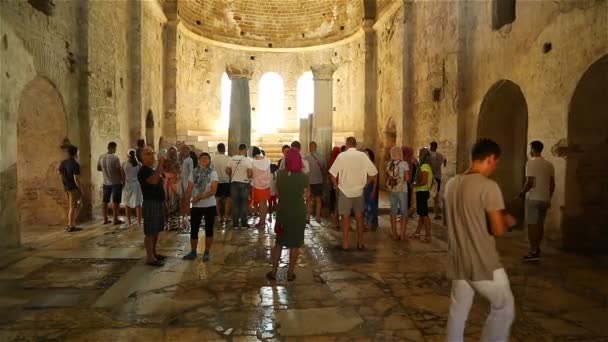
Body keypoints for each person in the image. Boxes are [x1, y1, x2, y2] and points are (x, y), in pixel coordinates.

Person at [445, 138, 516, 341]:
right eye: (496, 162)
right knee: (504, 307)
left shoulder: (452, 183)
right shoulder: (488, 186)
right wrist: (507, 221)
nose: (495, 167)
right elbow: (498, 229)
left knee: (457, 312)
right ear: (491, 159)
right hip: (483, 262)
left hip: (459, 260)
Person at [329, 137, 378, 250]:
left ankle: (345, 244)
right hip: (359, 191)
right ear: (355, 145)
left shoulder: (342, 156)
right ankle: (360, 243)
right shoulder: (363, 156)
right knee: (359, 217)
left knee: (345, 218)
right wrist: (365, 184)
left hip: (345, 191)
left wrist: (336, 186)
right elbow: (373, 173)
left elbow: (332, 174)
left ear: (347, 145)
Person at [267, 148, 309, 282]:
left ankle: (274, 271)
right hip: (297, 211)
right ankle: (290, 273)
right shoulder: (303, 176)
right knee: (295, 244)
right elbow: (306, 194)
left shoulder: (281, 174)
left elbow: (278, 193)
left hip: (283, 210)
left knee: (279, 241)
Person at [518, 140, 555, 261]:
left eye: (530, 149)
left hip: (533, 199)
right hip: (544, 199)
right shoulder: (549, 164)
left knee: (532, 226)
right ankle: (537, 248)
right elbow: (552, 184)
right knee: (540, 225)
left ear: (533, 149)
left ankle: (533, 251)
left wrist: (521, 194)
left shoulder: (531, 163)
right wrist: (548, 197)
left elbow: (529, 182)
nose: (529, 151)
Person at [183, 152, 218, 262]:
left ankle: (207, 251)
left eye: (206, 158)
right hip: (196, 206)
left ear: (209, 161)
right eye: (202, 158)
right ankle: (193, 251)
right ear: (198, 160)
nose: (204, 160)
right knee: (194, 229)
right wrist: (186, 204)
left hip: (209, 205)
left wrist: (199, 197)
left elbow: (213, 190)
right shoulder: (193, 173)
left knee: (209, 229)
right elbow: (189, 189)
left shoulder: (213, 173)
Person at [138, 147, 168, 267]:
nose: (151, 156)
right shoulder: (144, 170)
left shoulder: (151, 169)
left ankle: (154, 253)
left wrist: (164, 201)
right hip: (150, 203)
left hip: (157, 202)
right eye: (148, 154)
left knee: (155, 230)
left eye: (152, 153)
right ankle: (150, 258)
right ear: (142, 157)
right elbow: (154, 181)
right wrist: (161, 164)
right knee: (150, 232)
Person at [386, 146, 412, 240]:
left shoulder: (389, 164)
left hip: (392, 189)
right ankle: (403, 235)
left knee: (393, 211)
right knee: (404, 212)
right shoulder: (404, 163)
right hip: (402, 190)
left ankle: (394, 234)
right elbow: (407, 178)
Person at [226, 143, 253, 229]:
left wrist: (232, 174)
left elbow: (227, 170)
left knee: (235, 203)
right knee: (244, 203)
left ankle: (235, 223)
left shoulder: (232, 159)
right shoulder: (247, 160)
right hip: (244, 183)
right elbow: (249, 174)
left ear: (238, 149)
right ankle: (244, 223)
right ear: (245, 150)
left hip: (234, 183)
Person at [97, 142, 124, 225]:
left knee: (105, 201)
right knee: (116, 201)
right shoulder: (115, 158)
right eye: (115, 148)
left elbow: (98, 168)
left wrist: (106, 171)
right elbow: (119, 170)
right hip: (116, 182)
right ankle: (115, 219)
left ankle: (105, 219)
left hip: (106, 182)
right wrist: (123, 180)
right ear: (113, 147)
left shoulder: (101, 157)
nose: (116, 149)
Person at [411, 148, 433, 242]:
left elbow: (424, 181)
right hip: (422, 191)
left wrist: (414, 185)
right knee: (421, 214)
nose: (419, 156)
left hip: (422, 191)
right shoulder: (424, 166)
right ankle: (417, 232)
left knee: (424, 214)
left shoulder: (425, 166)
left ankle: (428, 236)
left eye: (420, 154)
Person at [58, 145, 82, 232]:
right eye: (78, 152)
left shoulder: (63, 162)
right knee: (74, 207)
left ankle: (71, 224)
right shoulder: (75, 164)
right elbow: (76, 178)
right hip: (73, 188)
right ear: (75, 153)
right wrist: (80, 189)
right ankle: (71, 225)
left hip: (66, 187)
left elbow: (59, 172)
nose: (78, 154)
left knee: (74, 206)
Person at [251, 146, 272, 228]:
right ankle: (263, 221)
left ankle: (261, 222)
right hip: (266, 185)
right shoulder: (267, 160)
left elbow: (252, 174)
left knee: (260, 203)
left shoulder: (253, 162)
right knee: (264, 203)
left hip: (258, 186)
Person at [122, 149, 143, 226]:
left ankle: (129, 221)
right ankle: (139, 222)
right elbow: (141, 176)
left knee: (127, 204)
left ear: (128, 155)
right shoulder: (139, 164)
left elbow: (123, 176)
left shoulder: (124, 164)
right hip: (136, 184)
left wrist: (123, 185)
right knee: (138, 204)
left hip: (127, 184)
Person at [305, 141, 325, 221]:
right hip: (319, 181)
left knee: (308, 199)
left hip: (309, 182)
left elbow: (305, 171)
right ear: (316, 147)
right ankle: (318, 217)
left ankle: (308, 217)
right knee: (318, 199)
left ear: (310, 147)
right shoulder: (322, 157)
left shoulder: (306, 158)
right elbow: (324, 168)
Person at [163, 146, 182, 230]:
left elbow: (179, 173)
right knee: (169, 203)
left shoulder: (177, 162)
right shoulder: (166, 162)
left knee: (175, 203)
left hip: (174, 185)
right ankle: (169, 224)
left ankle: (173, 224)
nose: (172, 154)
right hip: (168, 185)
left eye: (173, 152)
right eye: (171, 152)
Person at [212, 143, 232, 224]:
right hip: (227, 181)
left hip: (217, 181)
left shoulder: (214, 159)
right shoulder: (228, 158)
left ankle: (220, 217)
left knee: (217, 199)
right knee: (228, 199)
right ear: (224, 149)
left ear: (218, 149)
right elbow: (230, 170)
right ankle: (227, 216)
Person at [429, 141, 447, 220]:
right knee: (436, 196)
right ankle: (436, 214)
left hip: (429, 177)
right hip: (437, 177)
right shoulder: (441, 155)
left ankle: (421, 213)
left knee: (426, 193)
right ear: (436, 147)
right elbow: (445, 163)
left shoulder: (428, 156)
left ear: (430, 146)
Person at [363, 148, 379, 231]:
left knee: (371, 207)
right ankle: (366, 224)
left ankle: (371, 224)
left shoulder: (372, 165)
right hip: (364, 188)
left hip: (370, 187)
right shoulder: (362, 165)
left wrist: (373, 191)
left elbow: (375, 181)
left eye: (366, 154)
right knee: (365, 207)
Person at [179, 145, 194, 230]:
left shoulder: (189, 160)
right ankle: (182, 217)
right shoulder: (181, 159)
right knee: (182, 200)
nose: (185, 152)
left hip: (186, 182)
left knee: (187, 200)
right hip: (181, 181)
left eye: (187, 150)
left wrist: (190, 184)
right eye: (184, 150)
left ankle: (187, 217)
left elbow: (191, 172)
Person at [402, 146, 418, 219]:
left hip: (406, 183)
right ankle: (408, 213)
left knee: (406, 199)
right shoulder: (414, 160)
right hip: (410, 182)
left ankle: (406, 214)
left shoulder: (405, 161)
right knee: (408, 198)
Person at [328, 146, 342, 229]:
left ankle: (337, 222)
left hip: (336, 184)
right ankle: (337, 222)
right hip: (339, 185)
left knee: (337, 204)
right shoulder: (337, 160)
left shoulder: (332, 159)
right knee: (338, 205)